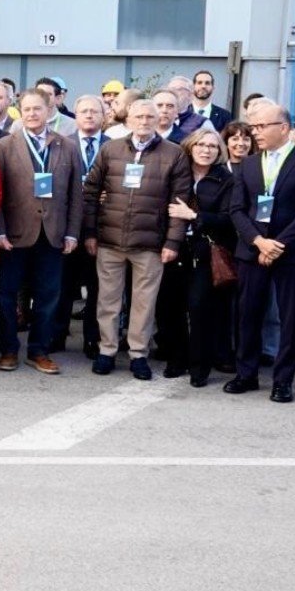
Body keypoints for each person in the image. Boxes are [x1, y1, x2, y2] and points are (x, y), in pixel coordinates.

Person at [224, 98, 295, 403]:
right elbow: (237, 209)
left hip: (292, 253)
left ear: (283, 127)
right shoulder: (249, 164)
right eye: (253, 126)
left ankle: (283, 380)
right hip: (252, 251)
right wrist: (258, 242)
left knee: (290, 319)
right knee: (247, 314)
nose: (255, 132)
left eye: (260, 126)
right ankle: (246, 374)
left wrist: (277, 245)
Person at [82, 98, 190, 380]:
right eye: (139, 117)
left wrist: (172, 242)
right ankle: (107, 350)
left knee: (145, 302)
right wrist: (90, 233)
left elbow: (180, 201)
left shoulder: (174, 154)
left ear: (159, 121)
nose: (144, 122)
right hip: (110, 239)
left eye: (150, 117)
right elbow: (91, 191)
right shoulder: (110, 149)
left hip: (151, 242)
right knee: (108, 299)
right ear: (128, 120)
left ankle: (138, 353)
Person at [0, 88, 83, 375]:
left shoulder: (66, 145)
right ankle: (7, 349)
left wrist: (72, 233)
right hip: (14, 235)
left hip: (53, 234)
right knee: (6, 295)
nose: (32, 114)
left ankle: (39, 350)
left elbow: (75, 195)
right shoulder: (5, 146)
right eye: (27, 109)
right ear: (20, 111)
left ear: (49, 111)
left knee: (48, 296)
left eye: (37, 109)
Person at [153, 128, 237, 386]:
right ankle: (177, 359)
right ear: (190, 146)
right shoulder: (178, 172)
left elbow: (230, 218)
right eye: (201, 144)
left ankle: (200, 365)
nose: (206, 150)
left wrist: (194, 216)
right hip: (175, 246)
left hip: (206, 250)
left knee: (200, 307)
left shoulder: (226, 179)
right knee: (170, 306)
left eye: (212, 146)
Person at [59, 95, 109, 356]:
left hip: (102, 228)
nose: (89, 116)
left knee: (96, 287)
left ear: (104, 116)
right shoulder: (62, 145)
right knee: (63, 284)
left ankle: (92, 338)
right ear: (75, 116)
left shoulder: (115, 147)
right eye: (84, 111)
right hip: (68, 225)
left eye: (94, 111)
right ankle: (58, 335)